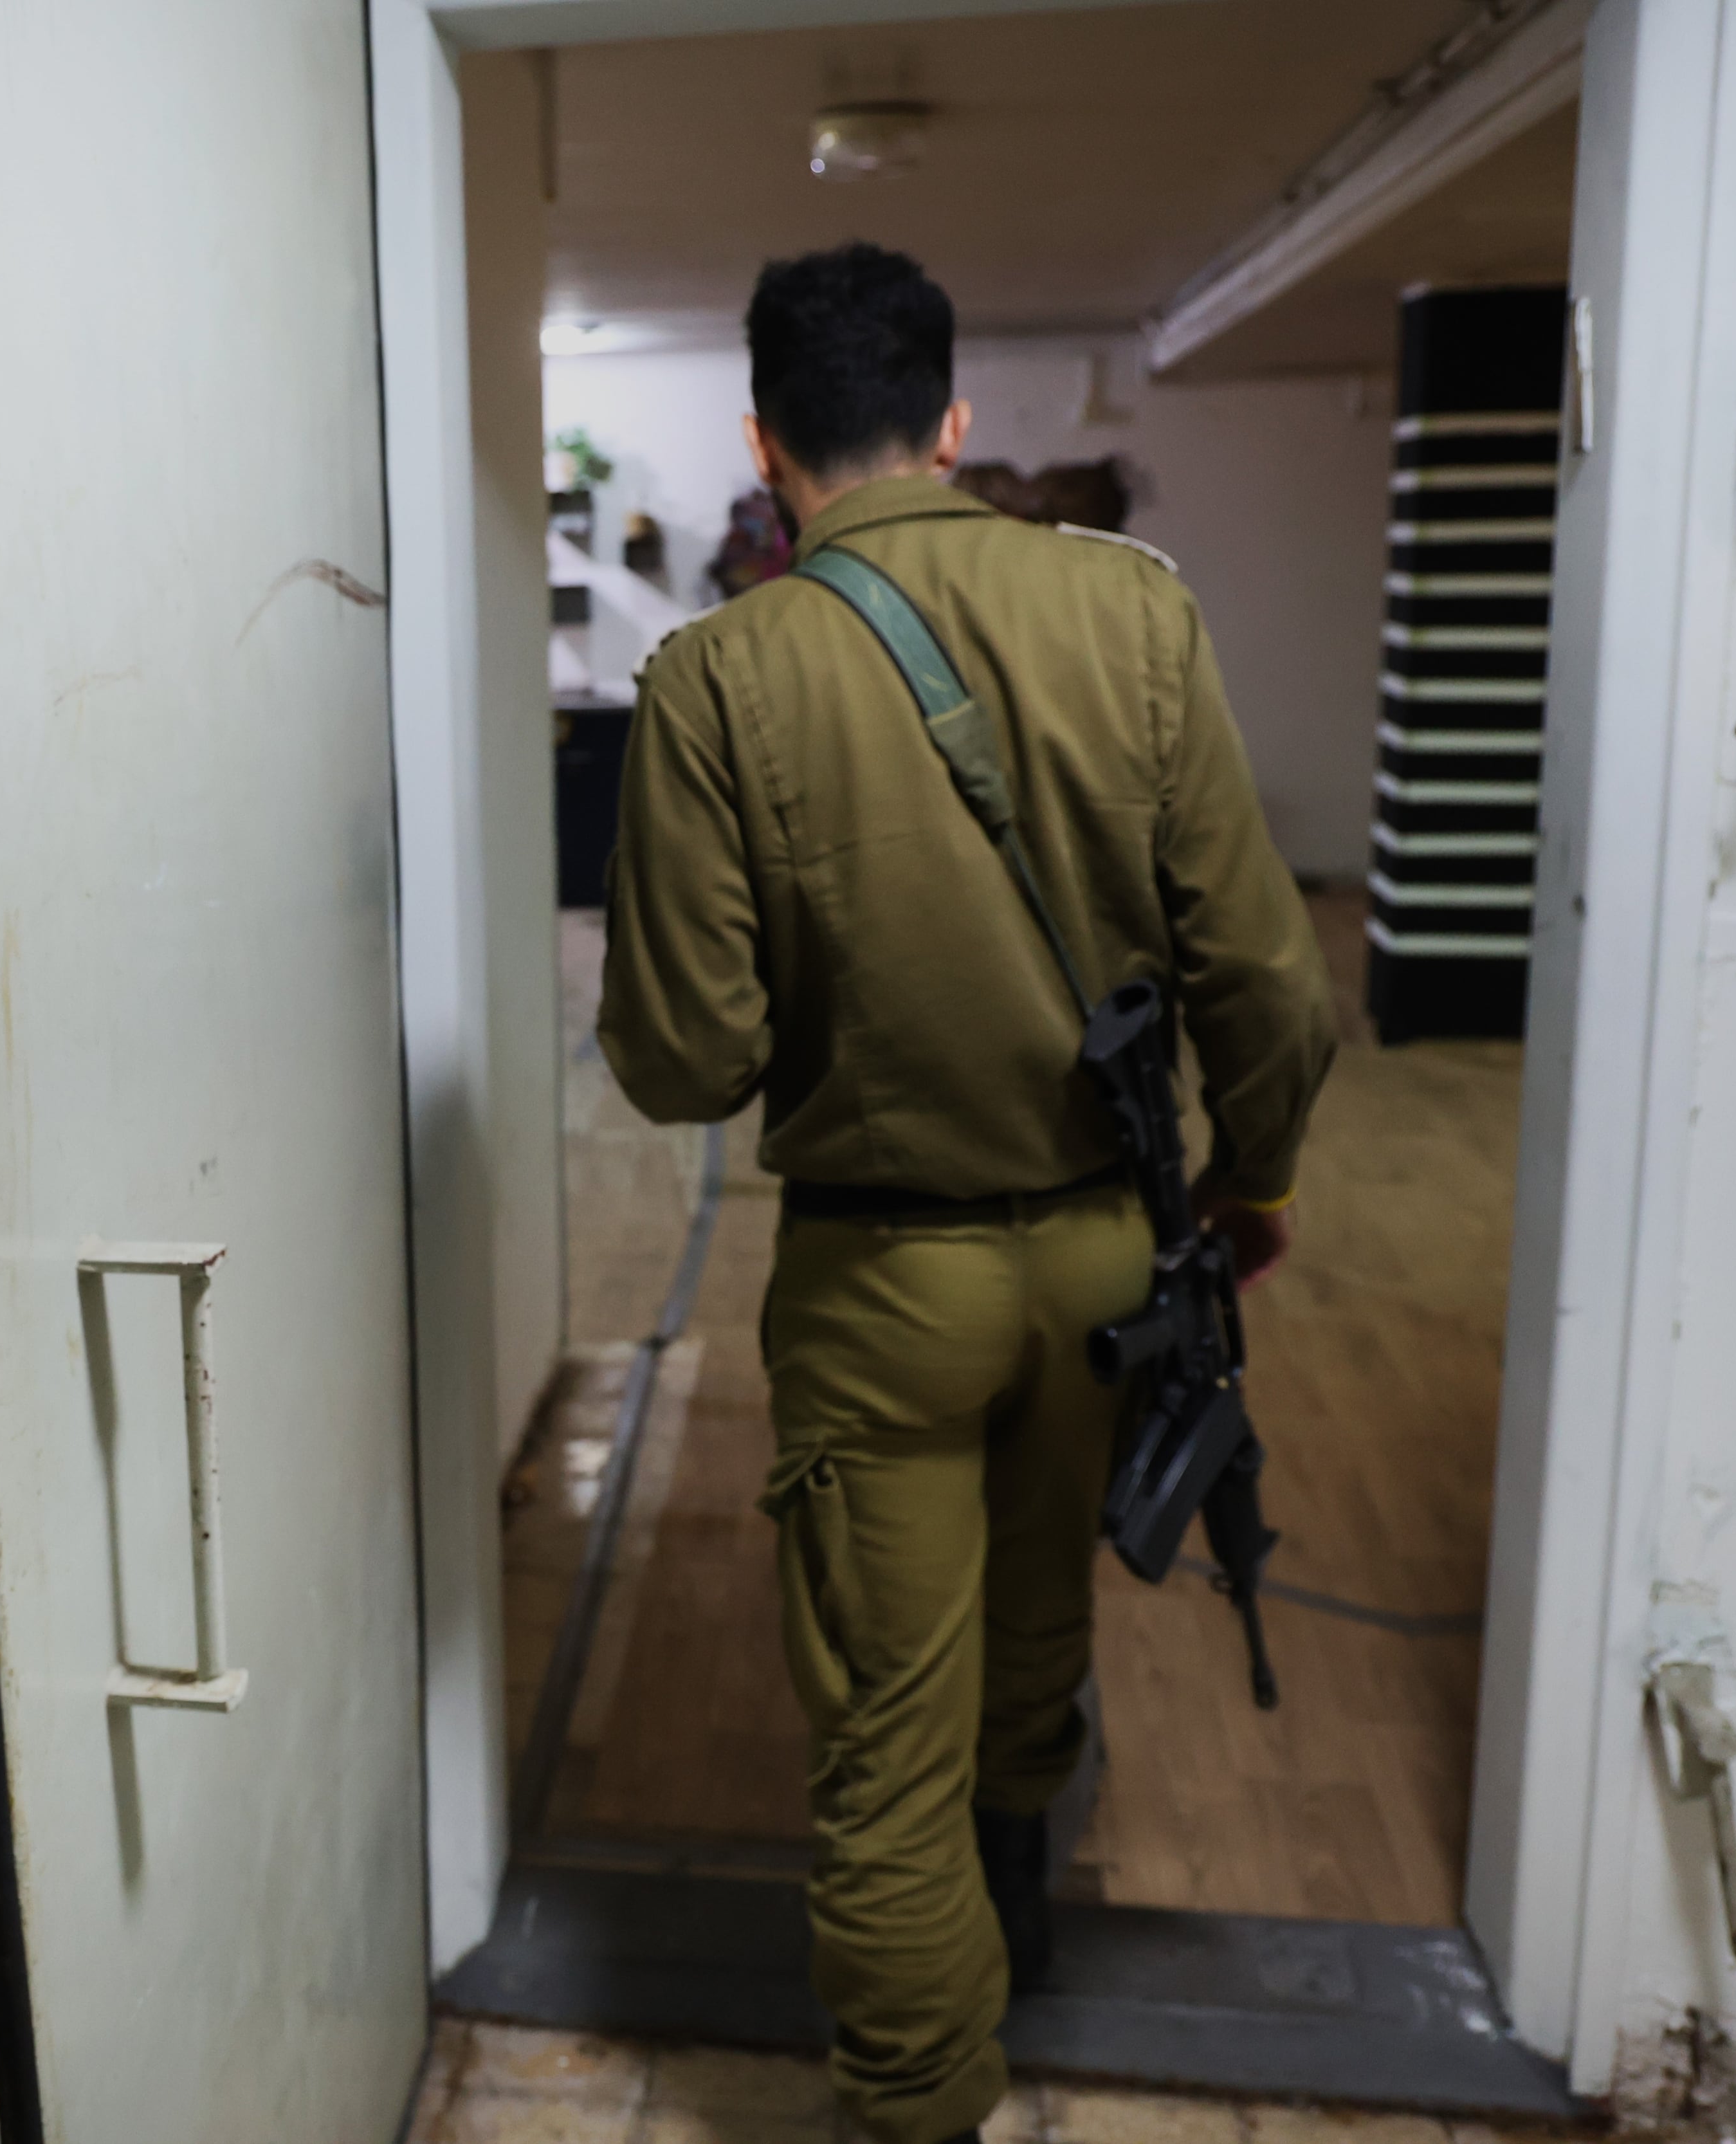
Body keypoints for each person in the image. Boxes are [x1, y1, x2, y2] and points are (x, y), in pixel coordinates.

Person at [596, 243, 1336, 2144]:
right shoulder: (1135, 613)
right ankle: (1018, 1911)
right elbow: (1265, 976)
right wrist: (1251, 1183)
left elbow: (686, 1061)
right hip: (1110, 1250)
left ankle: (927, 2102)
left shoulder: (712, 680)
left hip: (877, 1285)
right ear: (955, 417)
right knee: (1035, 1630)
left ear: (762, 443)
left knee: (880, 1749)